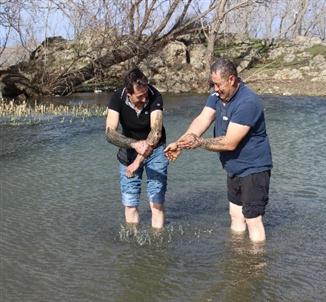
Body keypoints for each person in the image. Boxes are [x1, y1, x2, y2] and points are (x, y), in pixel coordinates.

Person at [165, 58, 272, 242]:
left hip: (254, 169)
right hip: (234, 168)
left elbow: (229, 143)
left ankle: (256, 265)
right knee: (236, 215)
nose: (215, 89)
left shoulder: (248, 102)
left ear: (231, 79)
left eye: (218, 84)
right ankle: (238, 258)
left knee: (252, 219)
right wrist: (181, 142)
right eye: (213, 84)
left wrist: (198, 143)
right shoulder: (217, 96)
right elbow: (202, 120)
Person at [105, 68, 169, 229]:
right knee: (130, 202)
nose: (145, 97)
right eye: (140, 96)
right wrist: (134, 145)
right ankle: (133, 246)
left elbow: (156, 132)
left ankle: (157, 244)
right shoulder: (117, 98)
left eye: (146, 93)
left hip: (155, 149)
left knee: (156, 202)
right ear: (129, 94)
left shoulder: (155, 96)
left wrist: (138, 161)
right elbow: (109, 133)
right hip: (128, 149)